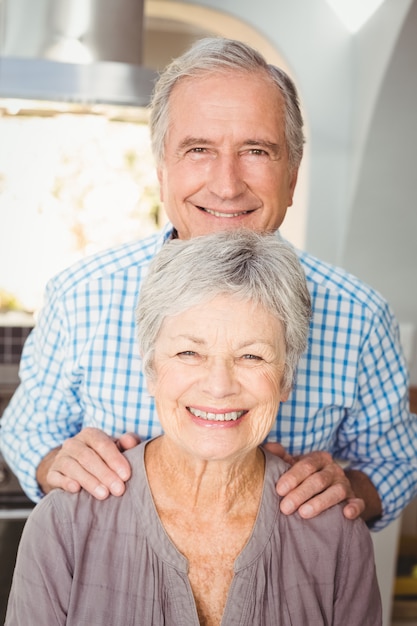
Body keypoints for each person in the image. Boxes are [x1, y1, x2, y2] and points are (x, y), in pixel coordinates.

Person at [0, 37, 415, 531]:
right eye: (199, 150)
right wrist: (53, 463)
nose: (226, 184)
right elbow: (27, 430)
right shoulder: (80, 294)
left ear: (293, 175)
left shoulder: (359, 316)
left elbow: (397, 461)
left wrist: (353, 491)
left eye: (256, 151)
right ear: (161, 170)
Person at [5, 230, 382, 626]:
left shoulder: (337, 536)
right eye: (189, 352)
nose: (219, 386)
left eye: (252, 355)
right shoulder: (64, 523)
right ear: (151, 369)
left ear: (286, 379)